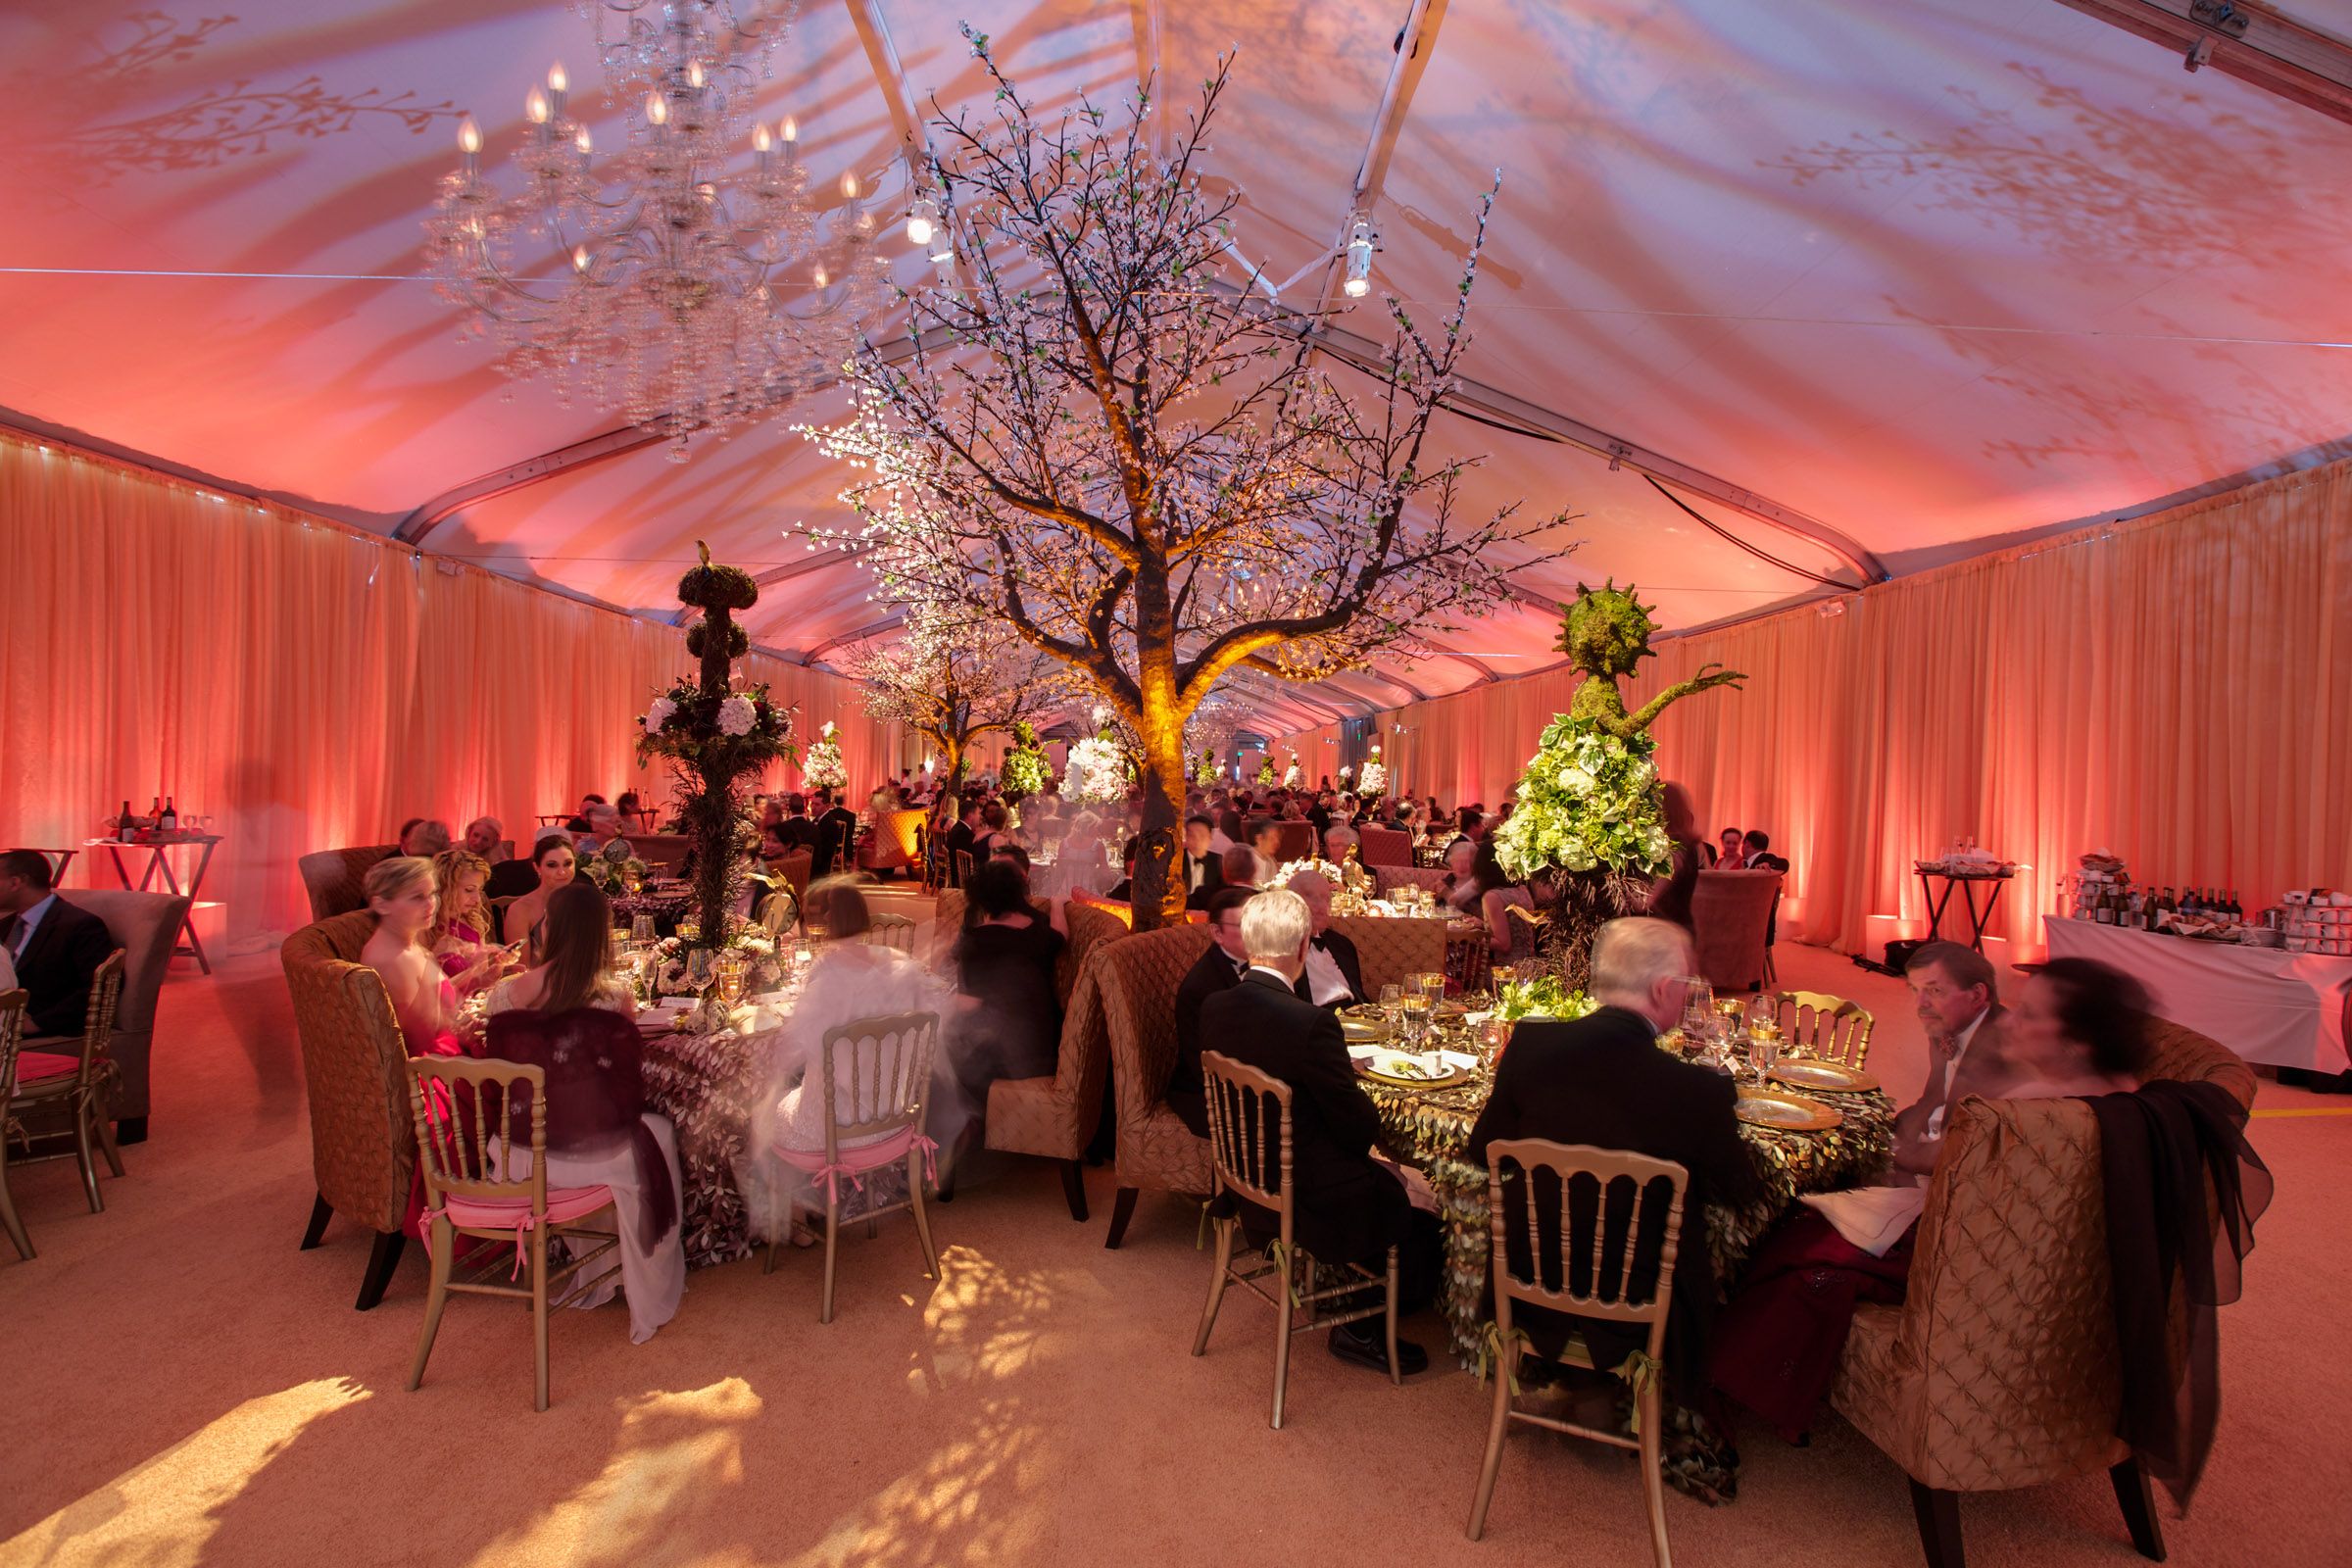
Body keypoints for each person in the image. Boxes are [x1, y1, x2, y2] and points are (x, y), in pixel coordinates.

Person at [1710, 956, 2157, 1442]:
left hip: (1972, 1271)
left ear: (2076, 1042)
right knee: (1825, 1218)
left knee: (1798, 1237)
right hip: (2015, 1259)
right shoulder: (2127, 1102)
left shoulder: (2035, 1114)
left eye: (2030, 1015)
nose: (2012, 1022)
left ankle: (1731, 1384)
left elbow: (1964, 1194)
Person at [1463, 919, 1759, 1395]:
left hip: (1528, 1286)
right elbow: (1740, 1191)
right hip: (1636, 1311)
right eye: (1687, 982)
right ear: (1663, 989)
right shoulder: (1696, 1091)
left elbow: (1484, 1152)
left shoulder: (1529, 1046)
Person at [1197, 889, 1439, 1376]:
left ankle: (1348, 1298)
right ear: (1303, 947)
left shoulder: (1215, 1006)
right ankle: (1362, 1328)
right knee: (1419, 1206)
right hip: (1309, 1195)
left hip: (1245, 1178)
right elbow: (1358, 1129)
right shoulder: (1311, 1024)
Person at [739, 880, 949, 1244]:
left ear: (826, 923)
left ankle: (796, 1218)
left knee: (762, 1111)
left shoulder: (827, 974)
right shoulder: (902, 966)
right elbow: (932, 1028)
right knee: (811, 1088)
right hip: (896, 1120)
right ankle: (824, 1202)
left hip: (837, 1130)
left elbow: (796, 1046)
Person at [947, 860, 1066, 1135]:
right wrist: (1058, 904)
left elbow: (969, 1006)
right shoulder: (1036, 929)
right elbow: (1061, 936)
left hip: (1007, 1057)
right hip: (1047, 1048)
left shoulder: (978, 941)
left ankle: (960, 1133)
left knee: (935, 1050)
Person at [1886, 942, 2007, 1182]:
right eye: (1915, 990)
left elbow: (1972, 1144)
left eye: (1935, 991)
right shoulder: (1946, 1023)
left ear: (1977, 994)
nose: (1920, 1004)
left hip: (1964, 1166)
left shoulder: (2006, 1047)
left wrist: (1897, 1156)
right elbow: (1935, 1095)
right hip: (1934, 1133)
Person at [1167, 887, 1256, 1137]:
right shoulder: (1202, 988)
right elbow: (1206, 1064)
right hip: (1210, 1089)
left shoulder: (1262, 960)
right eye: (1245, 925)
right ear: (1217, 933)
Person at [0, 849, 115, 1039]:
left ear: (15, 883)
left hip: (33, 1027)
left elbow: (102, 985)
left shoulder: (80, 925)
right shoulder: (5, 925)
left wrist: (38, 1024)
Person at [357, 856, 459, 1057]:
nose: (431, 904)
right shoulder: (393, 960)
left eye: (432, 893)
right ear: (381, 905)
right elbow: (422, 1041)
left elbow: (435, 1000)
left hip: (446, 1050)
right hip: (438, 1066)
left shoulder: (406, 940)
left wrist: (476, 976)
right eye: (417, 897)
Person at [427, 848, 508, 997]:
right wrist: (476, 967)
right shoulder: (426, 927)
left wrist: (500, 965)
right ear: (446, 887)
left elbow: (482, 981)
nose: (477, 899)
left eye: (479, 890)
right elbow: (429, 993)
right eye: (469, 890)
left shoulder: (472, 922)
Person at [1285, 871, 1365, 1007]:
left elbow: (1360, 997)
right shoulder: (1281, 948)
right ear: (1291, 901)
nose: (1322, 906)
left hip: (1355, 1015)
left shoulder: (1343, 944)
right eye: (1312, 897)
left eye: (1326, 899)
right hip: (1314, 1017)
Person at [499, 835, 577, 966]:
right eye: (552, 865)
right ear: (537, 867)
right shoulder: (520, 910)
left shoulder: (584, 901)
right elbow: (520, 969)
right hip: (538, 979)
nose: (562, 872)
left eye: (568, 863)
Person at [1646, 782, 1704, 931]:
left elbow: (1645, 901)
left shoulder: (1675, 848)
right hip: (1671, 928)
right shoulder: (1684, 845)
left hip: (1667, 933)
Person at [811, 790, 859, 878]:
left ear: (827, 806)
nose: (813, 807)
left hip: (820, 869)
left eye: (817, 804)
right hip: (843, 847)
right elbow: (850, 834)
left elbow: (825, 852)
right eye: (812, 804)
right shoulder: (816, 820)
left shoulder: (829, 822)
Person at [1181, 814, 1226, 906]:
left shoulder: (1217, 860)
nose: (1197, 841)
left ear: (1210, 838)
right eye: (1192, 836)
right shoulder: (1177, 860)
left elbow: (1221, 894)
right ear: (1186, 837)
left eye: (1202, 836)